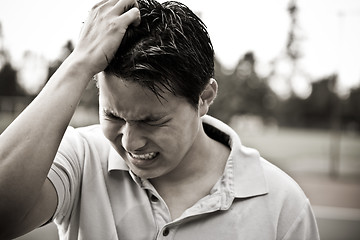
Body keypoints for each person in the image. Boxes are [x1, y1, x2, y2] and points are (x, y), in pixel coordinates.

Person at [0, 0, 320, 239]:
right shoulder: (80, 158)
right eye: (113, 115)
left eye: (151, 121)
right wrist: (78, 64)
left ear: (205, 98)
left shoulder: (282, 204)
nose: (129, 142)